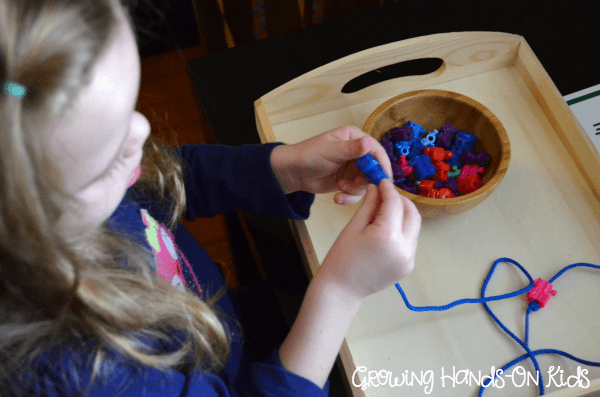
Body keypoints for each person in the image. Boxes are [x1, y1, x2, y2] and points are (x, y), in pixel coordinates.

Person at [0, 0, 421, 395]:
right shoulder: (94, 374)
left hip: (230, 326)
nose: (143, 133)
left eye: (132, 107)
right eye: (108, 157)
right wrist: (340, 292)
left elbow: (161, 185)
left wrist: (284, 168)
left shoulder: (67, 185)